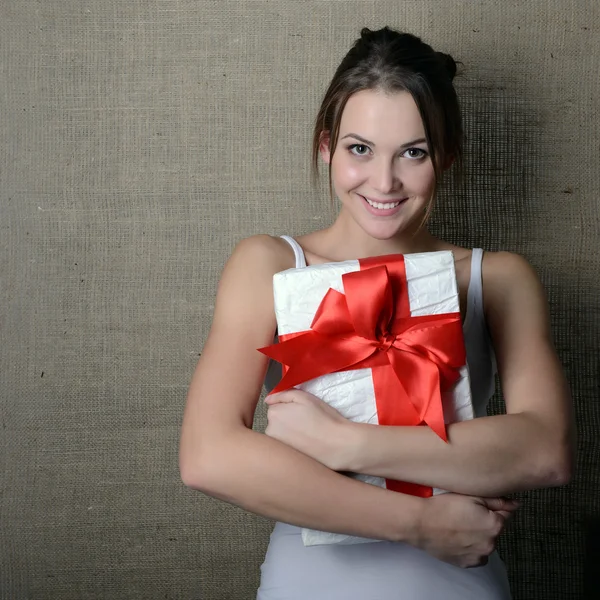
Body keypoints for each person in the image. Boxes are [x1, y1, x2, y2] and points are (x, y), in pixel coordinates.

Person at [179, 26, 574, 599]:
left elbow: (545, 452)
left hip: (460, 583)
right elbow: (207, 455)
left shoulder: (499, 279)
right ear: (326, 148)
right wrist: (421, 523)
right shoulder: (268, 264)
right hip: (312, 582)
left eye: (413, 153)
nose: (384, 182)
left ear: (447, 156)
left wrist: (347, 445)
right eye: (359, 149)